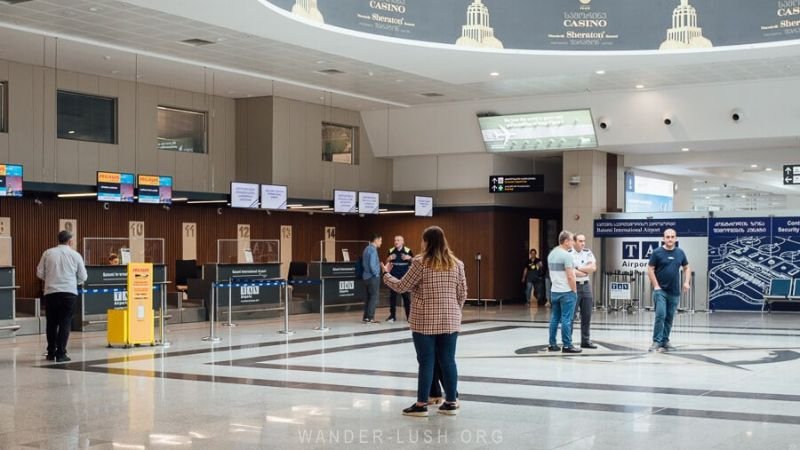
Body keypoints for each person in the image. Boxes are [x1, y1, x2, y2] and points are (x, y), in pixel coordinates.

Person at [383, 226, 467, 417]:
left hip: (424, 320)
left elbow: (402, 286)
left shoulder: (420, 262)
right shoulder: (457, 263)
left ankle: (421, 405)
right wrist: (453, 310)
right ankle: (451, 402)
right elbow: (463, 293)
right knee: (448, 360)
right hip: (450, 320)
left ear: (427, 242)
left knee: (426, 362)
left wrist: (386, 275)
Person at [37, 230, 87, 363]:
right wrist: (71, 282)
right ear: (70, 241)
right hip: (69, 293)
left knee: (51, 323)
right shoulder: (75, 255)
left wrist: (51, 279)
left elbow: (39, 273)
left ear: (58, 239)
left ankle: (51, 352)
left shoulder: (48, 253)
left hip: (51, 292)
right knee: (65, 322)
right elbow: (83, 276)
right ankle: (61, 353)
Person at [648, 228, 691, 353]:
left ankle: (665, 341)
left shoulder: (680, 253)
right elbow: (650, 269)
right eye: (668, 237)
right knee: (660, 315)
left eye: (672, 237)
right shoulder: (657, 253)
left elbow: (687, 267)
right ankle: (656, 341)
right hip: (660, 291)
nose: (670, 239)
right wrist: (656, 286)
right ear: (663, 238)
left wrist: (686, 282)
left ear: (676, 238)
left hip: (674, 292)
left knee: (669, 317)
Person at [547, 230, 581, 353]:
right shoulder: (567, 256)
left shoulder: (551, 254)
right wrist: (574, 290)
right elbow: (570, 276)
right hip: (566, 292)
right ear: (566, 241)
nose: (573, 242)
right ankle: (567, 345)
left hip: (554, 291)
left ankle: (552, 344)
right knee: (567, 319)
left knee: (555, 318)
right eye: (572, 240)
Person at [570, 234, 598, 349]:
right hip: (573, 286)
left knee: (586, 315)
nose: (583, 243)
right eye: (580, 241)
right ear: (574, 242)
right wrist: (584, 269)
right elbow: (570, 271)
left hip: (586, 286)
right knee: (571, 316)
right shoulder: (569, 254)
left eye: (584, 241)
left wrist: (578, 268)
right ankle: (568, 342)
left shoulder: (587, 252)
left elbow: (593, 268)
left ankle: (585, 340)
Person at [386, 235, 413, 322]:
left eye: (398, 240)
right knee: (392, 297)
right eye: (395, 240)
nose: (396, 242)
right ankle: (392, 316)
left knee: (406, 297)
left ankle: (409, 316)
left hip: (404, 277)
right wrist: (389, 258)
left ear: (402, 242)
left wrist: (409, 258)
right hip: (393, 276)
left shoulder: (408, 250)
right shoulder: (391, 250)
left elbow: (414, 262)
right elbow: (387, 262)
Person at [361, 233, 382, 324]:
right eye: (380, 240)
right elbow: (372, 264)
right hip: (372, 277)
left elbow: (364, 263)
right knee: (374, 297)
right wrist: (376, 273)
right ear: (376, 240)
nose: (381, 243)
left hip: (365, 277)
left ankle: (366, 317)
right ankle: (370, 317)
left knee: (368, 298)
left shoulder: (366, 249)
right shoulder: (373, 250)